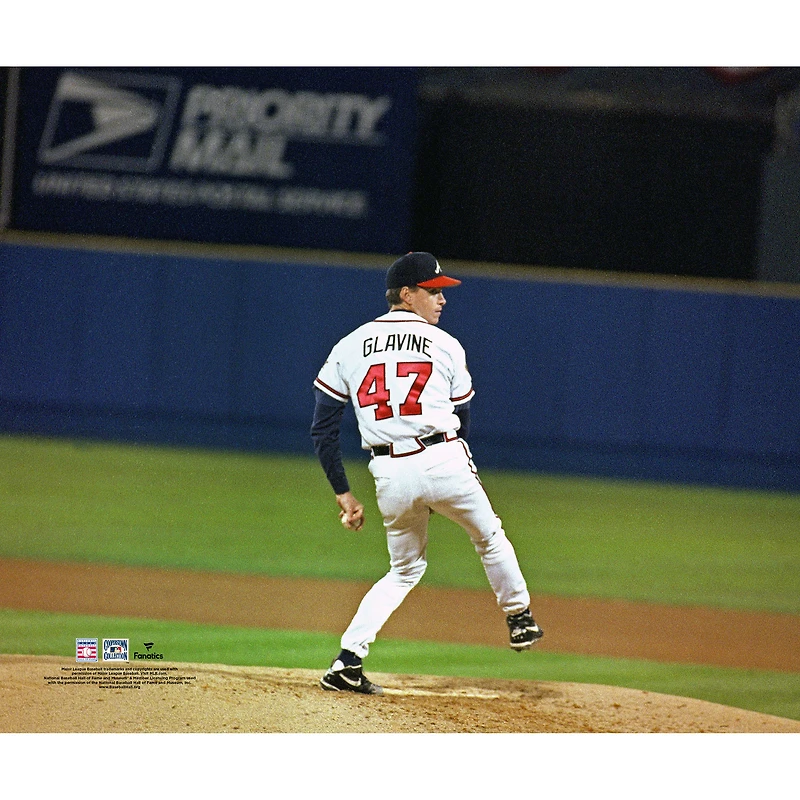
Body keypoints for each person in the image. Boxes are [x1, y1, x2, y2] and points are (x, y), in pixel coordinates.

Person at [311, 252, 542, 695]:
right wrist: (444, 478)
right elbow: (463, 419)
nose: (442, 299)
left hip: (389, 473)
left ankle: (348, 661)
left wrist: (344, 492)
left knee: (403, 571)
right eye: (433, 291)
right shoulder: (446, 344)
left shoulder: (349, 345)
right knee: (489, 536)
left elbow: (323, 427)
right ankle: (519, 617)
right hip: (442, 457)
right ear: (406, 293)